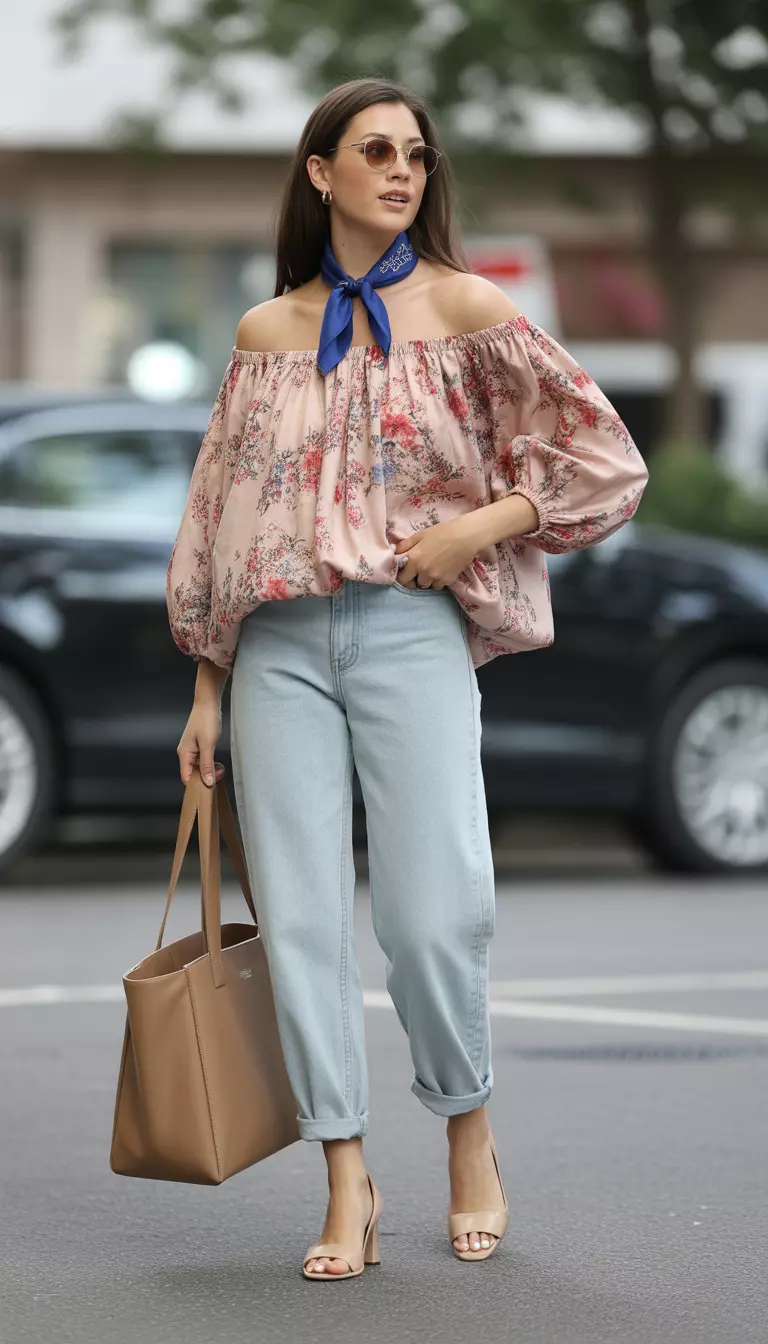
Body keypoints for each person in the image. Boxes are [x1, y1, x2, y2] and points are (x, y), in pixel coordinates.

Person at [167, 76, 648, 1280]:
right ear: (320, 171)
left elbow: (604, 460)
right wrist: (208, 686)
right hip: (276, 646)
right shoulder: (265, 334)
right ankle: (346, 1177)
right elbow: (220, 521)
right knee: (308, 929)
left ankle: (469, 1128)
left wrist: (480, 529)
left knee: (436, 917)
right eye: (375, 151)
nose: (401, 170)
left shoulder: (470, 309)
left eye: (418, 156)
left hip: (410, 631)